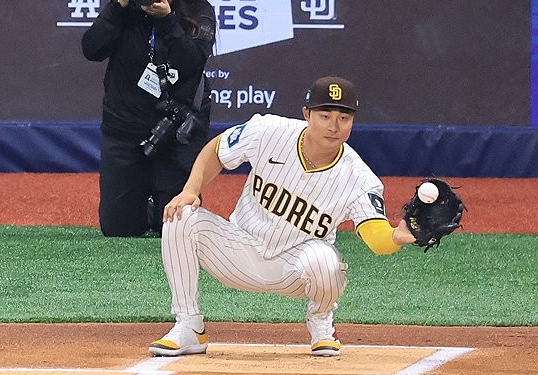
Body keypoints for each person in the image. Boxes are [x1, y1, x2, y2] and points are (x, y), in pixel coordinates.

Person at [151, 76, 417, 358]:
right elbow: (217, 149)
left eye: (343, 117)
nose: (334, 126)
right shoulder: (269, 131)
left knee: (326, 261)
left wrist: (395, 237)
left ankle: (321, 323)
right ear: (306, 114)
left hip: (296, 268)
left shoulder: (359, 178)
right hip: (238, 249)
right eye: (325, 115)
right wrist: (191, 189)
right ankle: (189, 326)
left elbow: (376, 237)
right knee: (180, 215)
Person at [82, 0, 216, 238]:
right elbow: (91, 49)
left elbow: (192, 63)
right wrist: (117, 8)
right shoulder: (123, 11)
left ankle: (160, 204)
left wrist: (167, 20)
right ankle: (141, 204)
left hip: (175, 135)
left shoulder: (198, 12)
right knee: (118, 228)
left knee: (175, 228)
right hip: (125, 132)